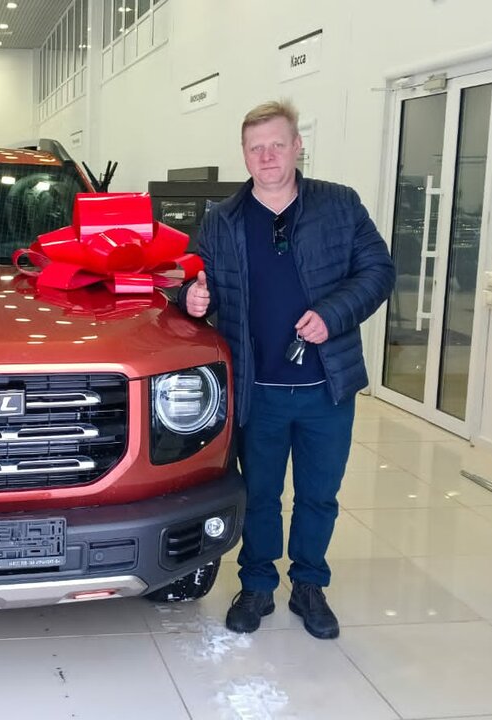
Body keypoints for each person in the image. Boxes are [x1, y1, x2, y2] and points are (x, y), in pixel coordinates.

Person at [179, 100, 396, 638]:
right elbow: (192, 281)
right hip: (259, 390)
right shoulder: (223, 219)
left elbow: (378, 270)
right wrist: (192, 297)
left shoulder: (339, 205)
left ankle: (309, 584)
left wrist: (332, 314)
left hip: (327, 386)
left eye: (278, 144)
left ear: (298, 145)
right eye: (256, 148)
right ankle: (256, 584)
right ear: (244, 154)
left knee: (319, 494)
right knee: (260, 495)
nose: (268, 156)